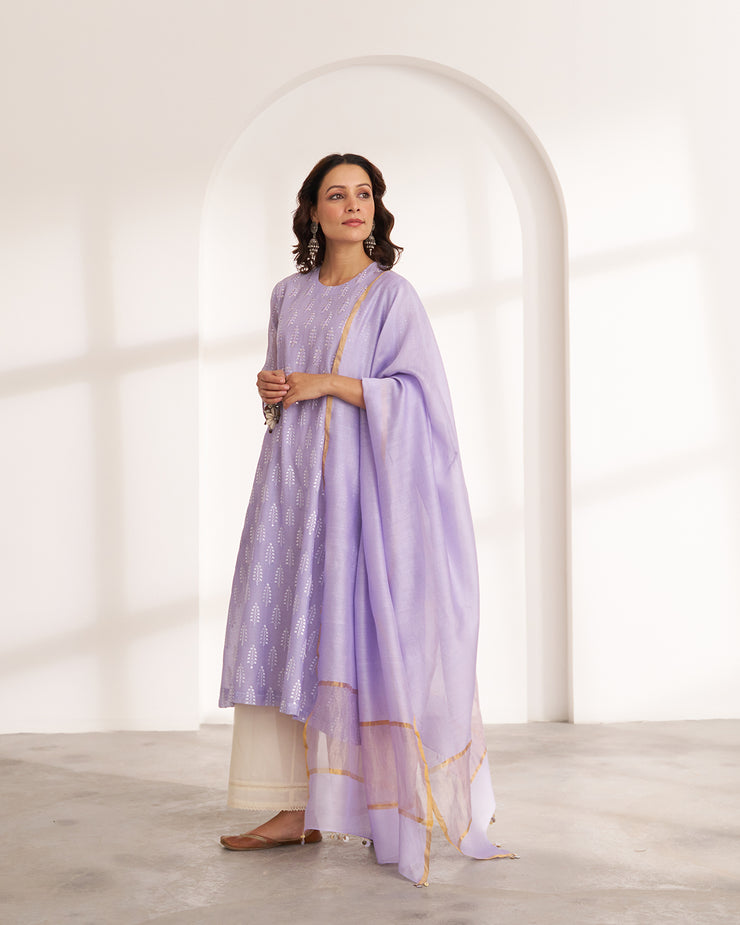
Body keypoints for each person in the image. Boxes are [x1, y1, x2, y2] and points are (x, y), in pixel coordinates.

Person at [218, 153, 514, 885]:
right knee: (285, 631)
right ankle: (294, 807)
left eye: (364, 194)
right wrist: (272, 386)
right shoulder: (287, 295)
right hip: (290, 487)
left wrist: (328, 382)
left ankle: (366, 802)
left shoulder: (392, 296)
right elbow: (282, 394)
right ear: (313, 212)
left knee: (349, 634)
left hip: (358, 495)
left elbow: (421, 400)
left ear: (376, 209)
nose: (353, 205)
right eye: (336, 194)